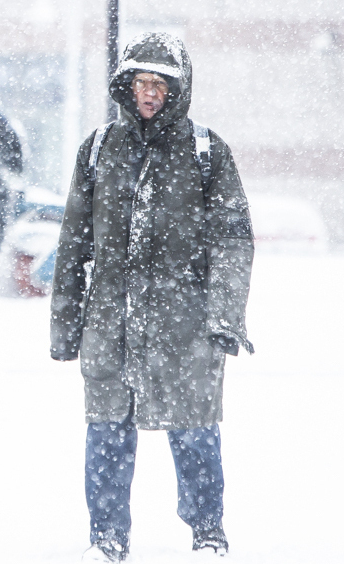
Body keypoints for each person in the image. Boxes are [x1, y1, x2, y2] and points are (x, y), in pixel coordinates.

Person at [50, 32, 254, 562]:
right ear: (126, 85)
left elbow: (232, 240)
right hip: (111, 325)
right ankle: (107, 539)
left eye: (160, 84)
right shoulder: (97, 150)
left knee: (195, 436)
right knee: (108, 437)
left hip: (184, 328)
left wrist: (225, 316)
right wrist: (66, 326)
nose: (149, 93)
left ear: (177, 90)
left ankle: (208, 534)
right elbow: (73, 243)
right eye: (141, 82)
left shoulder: (208, 153)